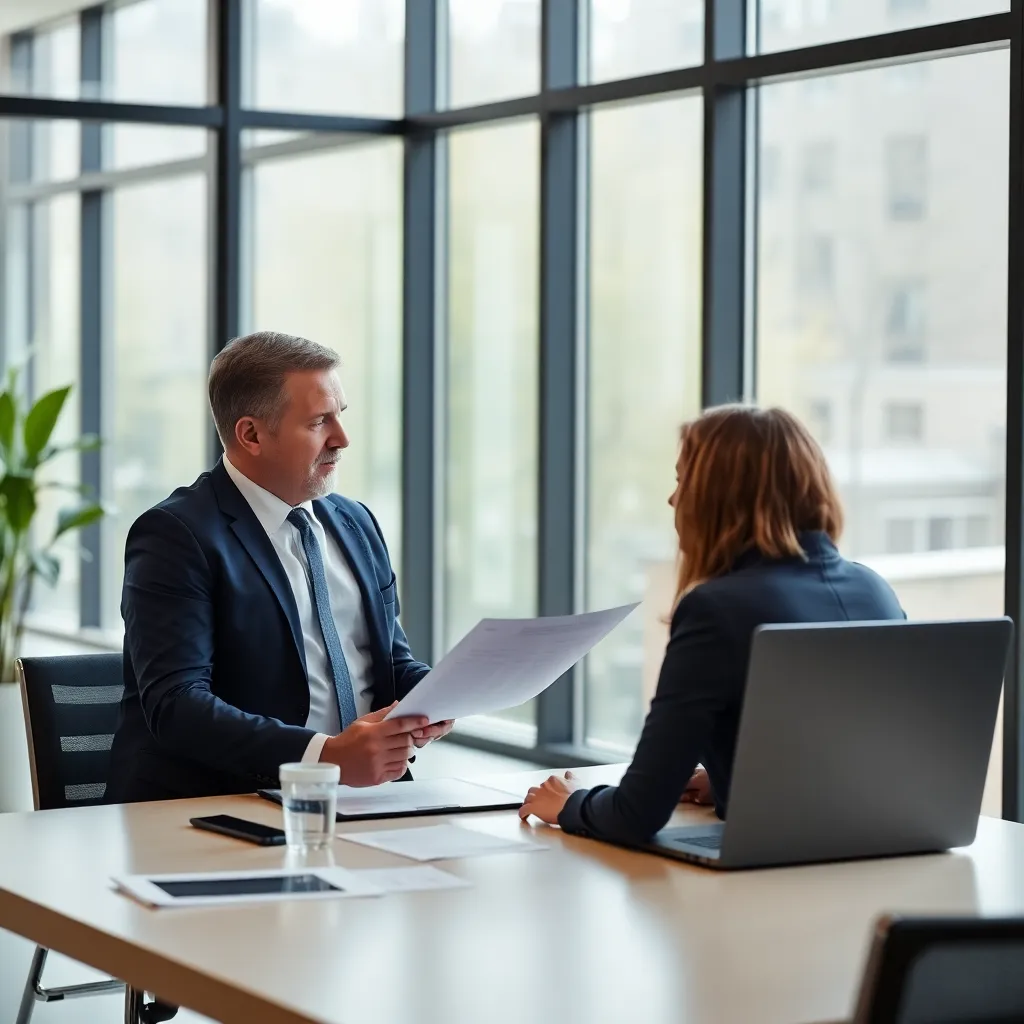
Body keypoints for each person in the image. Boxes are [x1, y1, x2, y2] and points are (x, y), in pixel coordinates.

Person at [518, 404, 905, 843]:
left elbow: (636, 813)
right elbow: (828, 767)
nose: (672, 499)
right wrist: (728, 783)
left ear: (719, 496)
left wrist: (572, 803)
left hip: (766, 873)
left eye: (682, 480)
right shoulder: (874, 589)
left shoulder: (716, 608)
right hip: (881, 859)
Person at [107, 331, 449, 802]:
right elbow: (177, 706)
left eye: (341, 417)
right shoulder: (176, 535)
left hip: (366, 798)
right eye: (318, 423)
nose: (342, 439)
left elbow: (389, 660)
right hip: (219, 806)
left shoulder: (356, 521)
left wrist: (436, 696)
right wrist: (324, 755)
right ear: (251, 434)